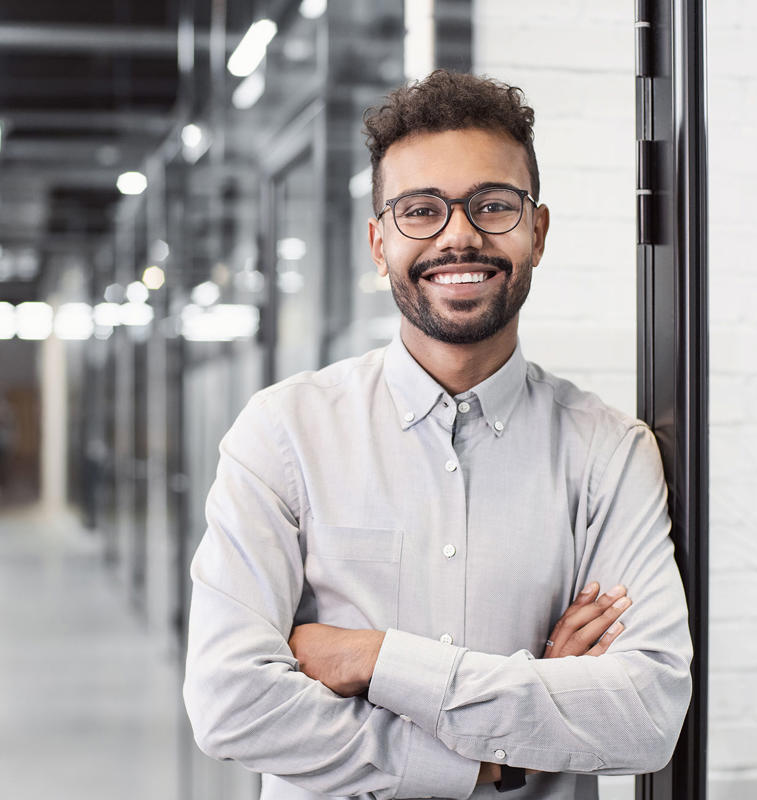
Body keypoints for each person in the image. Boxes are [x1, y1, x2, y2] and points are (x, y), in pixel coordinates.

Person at [183, 70, 692, 800]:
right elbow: (230, 703)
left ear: (537, 232)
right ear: (378, 240)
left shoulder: (609, 453)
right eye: (421, 210)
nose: (460, 235)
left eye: (493, 205)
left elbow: (645, 717)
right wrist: (501, 747)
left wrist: (376, 659)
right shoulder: (284, 434)